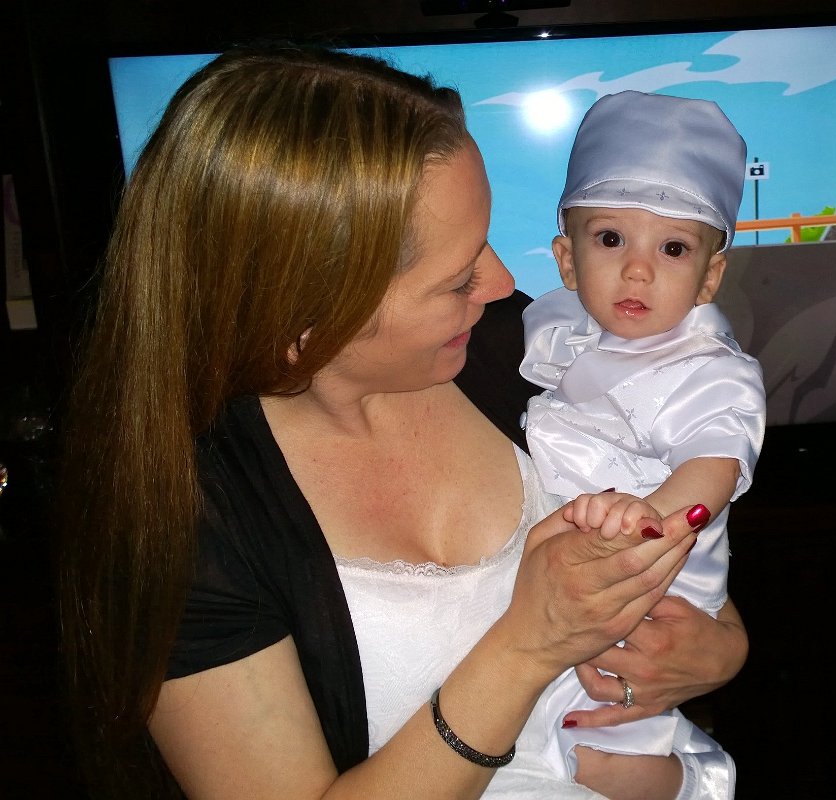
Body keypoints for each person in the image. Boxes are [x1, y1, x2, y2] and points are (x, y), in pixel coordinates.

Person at [58, 47, 750, 800]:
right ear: (304, 313)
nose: (502, 284)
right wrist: (527, 648)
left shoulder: (515, 348)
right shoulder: (184, 520)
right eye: (457, 277)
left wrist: (720, 649)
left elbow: (684, 553)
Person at [518, 91, 767, 797]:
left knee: (595, 736)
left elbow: (715, 466)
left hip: (656, 576)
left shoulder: (709, 371)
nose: (637, 270)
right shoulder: (566, 337)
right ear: (566, 260)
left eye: (673, 248)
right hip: (584, 566)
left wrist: (650, 519)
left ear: (710, 276)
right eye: (610, 239)